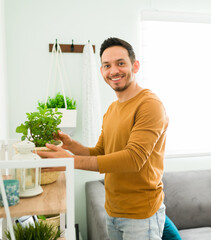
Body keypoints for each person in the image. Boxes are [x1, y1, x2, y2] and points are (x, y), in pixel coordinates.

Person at [37, 37, 169, 240]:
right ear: (101, 71)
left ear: (135, 65)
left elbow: (134, 159)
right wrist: (72, 146)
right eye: (107, 65)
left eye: (120, 63)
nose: (114, 71)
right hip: (114, 211)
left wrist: (70, 162)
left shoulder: (149, 105)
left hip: (141, 216)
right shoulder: (111, 109)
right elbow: (101, 152)